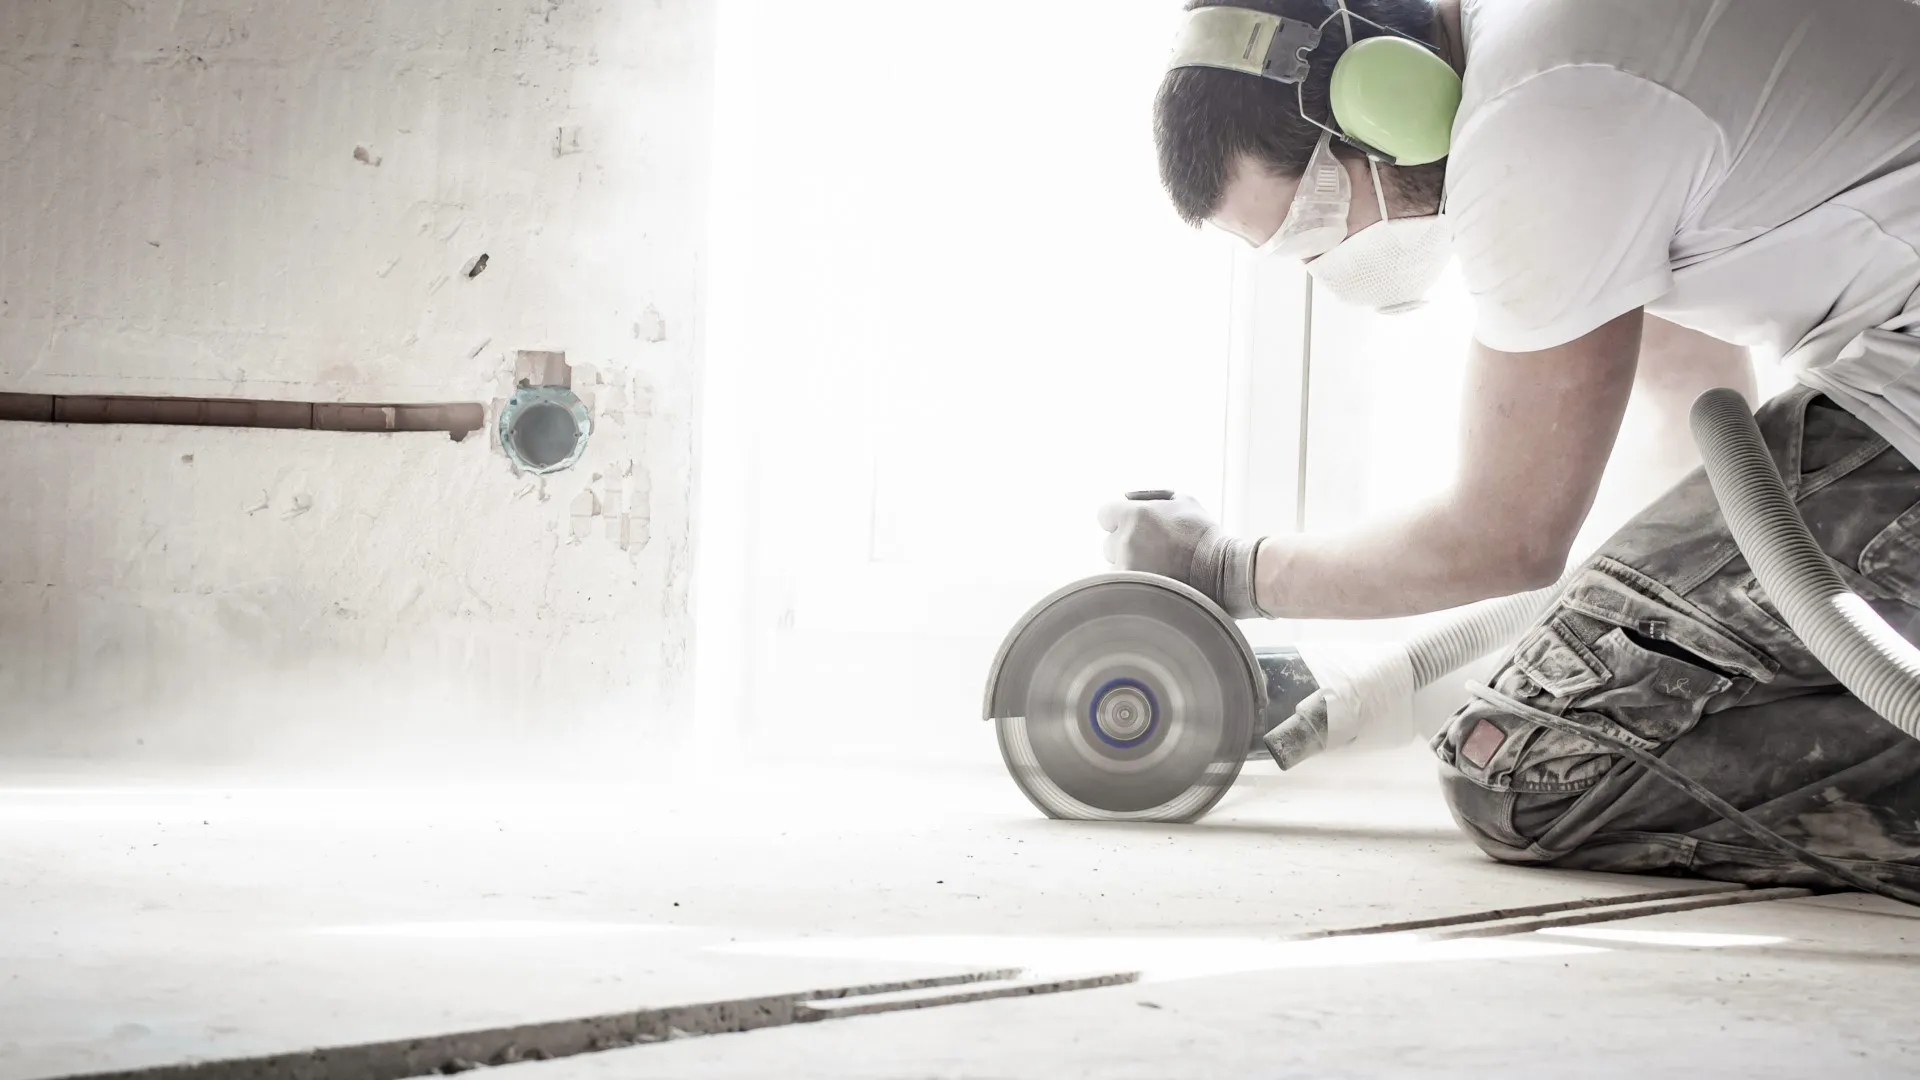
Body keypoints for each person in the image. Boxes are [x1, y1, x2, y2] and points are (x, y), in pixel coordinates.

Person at [1102, 0, 1920, 897]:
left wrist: (1226, 569)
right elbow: (1690, 408)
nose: (1327, 260)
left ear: (1384, 96)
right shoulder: (1561, 44)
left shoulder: (1539, 116)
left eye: (1311, 221)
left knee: (1527, 772)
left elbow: (1508, 538)